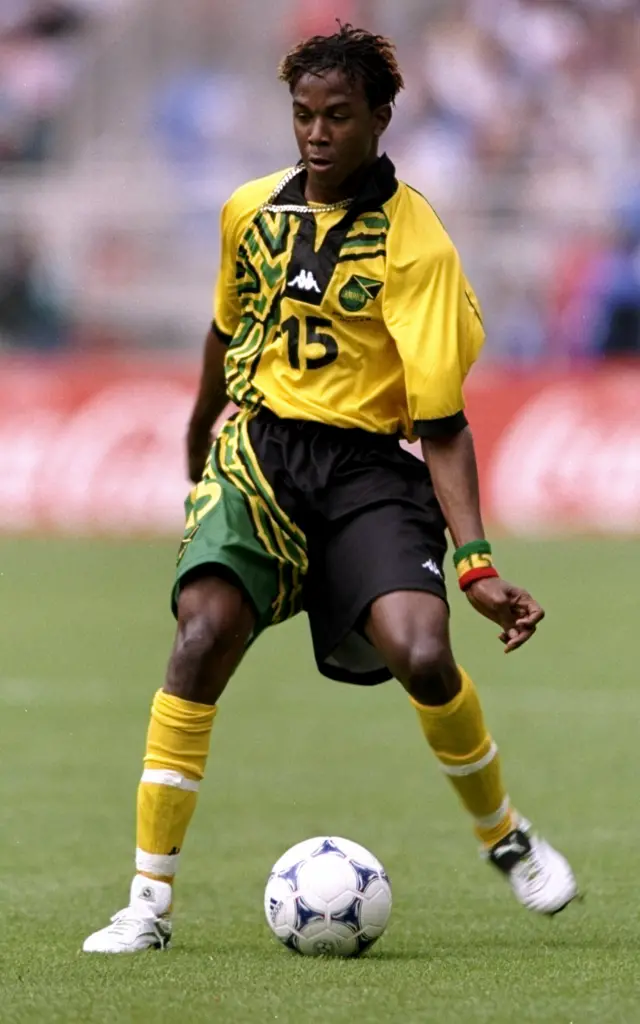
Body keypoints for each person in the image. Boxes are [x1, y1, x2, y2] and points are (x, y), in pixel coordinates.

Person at [83, 24, 577, 954]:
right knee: (200, 636)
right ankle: (146, 904)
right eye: (304, 115)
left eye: (338, 116)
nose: (316, 133)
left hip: (364, 471)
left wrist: (474, 564)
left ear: (381, 119)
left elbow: (442, 422)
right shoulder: (249, 212)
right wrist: (199, 432)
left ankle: (504, 835)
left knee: (421, 651)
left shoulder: (416, 245)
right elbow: (225, 330)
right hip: (262, 457)